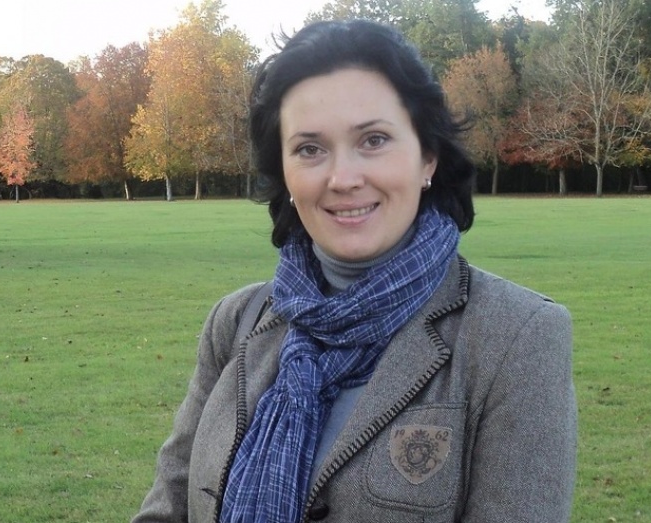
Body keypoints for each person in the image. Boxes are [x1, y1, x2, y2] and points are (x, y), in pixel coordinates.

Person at [132, 19, 576, 523]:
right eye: (310, 149)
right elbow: (167, 507)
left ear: (427, 158)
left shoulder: (517, 336)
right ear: (284, 173)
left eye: (374, 140)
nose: (343, 178)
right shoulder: (235, 322)